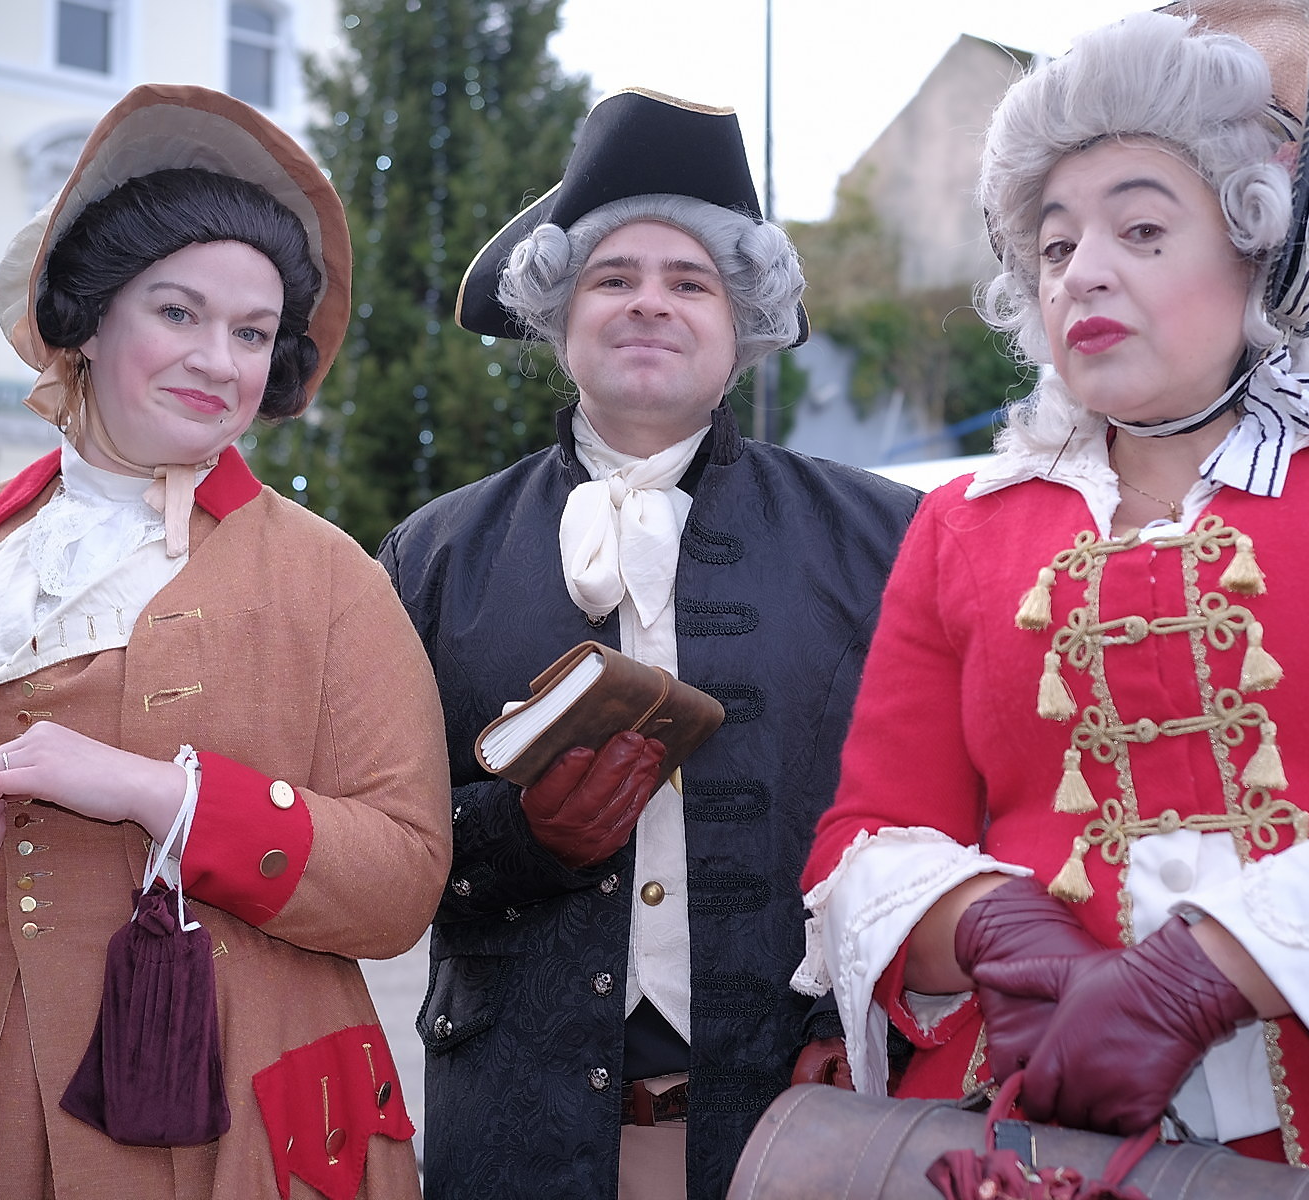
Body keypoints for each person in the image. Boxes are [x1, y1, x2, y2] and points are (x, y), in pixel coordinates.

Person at [795, 3, 1309, 1198]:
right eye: (1055, 248)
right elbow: (863, 841)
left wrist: (1207, 970)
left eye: (1144, 229)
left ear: (1252, 247)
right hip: (1035, 1137)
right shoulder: (961, 527)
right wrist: (995, 927)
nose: (1087, 270)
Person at [0, 84, 450, 1198]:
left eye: (251, 333)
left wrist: (162, 795)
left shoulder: (334, 577)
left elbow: (403, 880)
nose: (219, 361)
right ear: (92, 320)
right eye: (178, 313)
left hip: (230, 1127)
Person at [379, 88, 921, 1200]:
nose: (648, 306)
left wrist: (853, 1007)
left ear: (744, 323)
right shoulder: (434, 553)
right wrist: (519, 838)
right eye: (612, 279)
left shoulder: (887, 536)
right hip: (517, 1134)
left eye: (690, 283)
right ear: (560, 315)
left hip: (797, 1120)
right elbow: (380, 840)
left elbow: (932, 809)